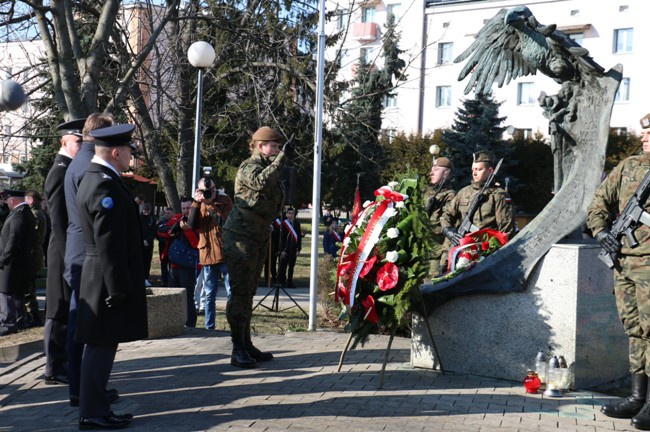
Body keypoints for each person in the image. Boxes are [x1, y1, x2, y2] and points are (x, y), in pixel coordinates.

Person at [75, 124, 146, 429]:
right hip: (105, 278)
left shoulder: (99, 178)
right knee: (101, 346)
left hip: (100, 275)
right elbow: (109, 244)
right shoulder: (104, 185)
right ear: (117, 153)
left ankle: (97, 407)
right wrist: (117, 287)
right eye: (129, 151)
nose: (131, 156)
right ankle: (92, 412)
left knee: (102, 344)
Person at [586, 113, 650, 429]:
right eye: (645, 131)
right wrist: (601, 234)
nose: (645, 136)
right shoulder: (629, 166)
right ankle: (637, 398)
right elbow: (599, 202)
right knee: (634, 329)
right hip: (623, 262)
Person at [223, 126, 293, 368]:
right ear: (259, 145)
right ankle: (237, 348)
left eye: (278, 146)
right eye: (273, 146)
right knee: (240, 293)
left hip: (257, 236)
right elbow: (261, 183)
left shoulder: (267, 166)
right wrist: (281, 159)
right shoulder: (249, 167)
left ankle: (247, 344)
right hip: (240, 238)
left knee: (249, 293)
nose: (276, 149)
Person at [63, 113, 116, 407]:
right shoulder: (88, 167)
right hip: (86, 256)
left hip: (79, 252)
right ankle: (83, 390)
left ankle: (85, 389)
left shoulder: (81, 162)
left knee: (82, 326)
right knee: (84, 328)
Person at [43, 118, 84, 385]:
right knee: (58, 309)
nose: (81, 146)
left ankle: (61, 362)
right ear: (64, 141)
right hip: (62, 249)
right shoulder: (59, 171)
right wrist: (70, 256)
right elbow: (58, 218)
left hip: (66, 248)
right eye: (78, 141)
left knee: (65, 308)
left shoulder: (69, 168)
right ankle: (54, 366)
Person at [440, 151, 515, 265]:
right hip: (457, 250)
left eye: (479, 169)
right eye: (473, 169)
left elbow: (506, 231)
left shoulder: (498, 195)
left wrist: (490, 253)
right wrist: (448, 231)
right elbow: (446, 214)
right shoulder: (463, 193)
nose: (474, 173)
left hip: (482, 254)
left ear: (490, 171)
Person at [188, 178, 233, 330]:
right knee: (209, 295)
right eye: (205, 191)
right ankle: (210, 328)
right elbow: (192, 225)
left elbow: (225, 223)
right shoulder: (198, 203)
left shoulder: (225, 200)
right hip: (207, 255)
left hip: (225, 253)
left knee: (231, 293)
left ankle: (235, 327)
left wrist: (210, 205)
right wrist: (196, 202)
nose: (209, 193)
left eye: (212, 190)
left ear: (216, 189)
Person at [159, 197, 201, 327]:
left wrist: (187, 229)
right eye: (183, 208)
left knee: (187, 298)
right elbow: (161, 231)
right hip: (173, 265)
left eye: (188, 208)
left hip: (187, 267)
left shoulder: (198, 222)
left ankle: (190, 327)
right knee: (173, 297)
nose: (186, 211)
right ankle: (174, 324)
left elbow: (197, 244)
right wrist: (173, 229)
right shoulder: (178, 219)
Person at [0, 190, 35, 336]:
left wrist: (3, 259)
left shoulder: (19, 214)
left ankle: (8, 323)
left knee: (6, 291)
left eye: (7, 200)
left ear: (12, 200)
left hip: (12, 262)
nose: (7, 203)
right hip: (19, 261)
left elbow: (13, 240)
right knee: (17, 292)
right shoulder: (24, 212)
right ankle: (20, 319)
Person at [423, 157, 456, 276]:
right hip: (419, 250)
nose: (431, 173)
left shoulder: (450, 196)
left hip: (435, 254)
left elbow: (448, 227)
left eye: (436, 170)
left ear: (446, 173)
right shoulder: (426, 192)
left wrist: (444, 259)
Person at [24, 190, 47, 327]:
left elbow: (33, 237)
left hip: (32, 256)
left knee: (28, 290)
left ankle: (34, 316)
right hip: (34, 255)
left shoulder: (35, 215)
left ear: (31, 200)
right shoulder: (37, 213)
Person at [277, 207, 302, 288]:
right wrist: (281, 250)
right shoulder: (283, 224)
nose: (291, 215)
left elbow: (299, 237)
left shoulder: (297, 224)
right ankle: (282, 281)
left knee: (291, 266)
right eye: (290, 213)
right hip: (285, 248)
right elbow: (281, 238)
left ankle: (290, 282)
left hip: (293, 248)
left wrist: (298, 249)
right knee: (283, 266)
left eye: (292, 213)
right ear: (286, 214)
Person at [155, 206, 174, 286]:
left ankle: (171, 281)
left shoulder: (175, 222)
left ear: (172, 213)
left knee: (171, 265)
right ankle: (164, 280)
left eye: (168, 213)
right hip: (162, 246)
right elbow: (157, 232)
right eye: (166, 213)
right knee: (163, 264)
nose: (166, 215)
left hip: (172, 247)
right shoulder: (161, 222)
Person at [139, 203, 156, 287]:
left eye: (148, 211)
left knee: (147, 262)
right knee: (139, 262)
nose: (146, 212)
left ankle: (146, 278)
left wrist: (148, 240)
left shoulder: (152, 219)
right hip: (139, 244)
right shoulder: (138, 218)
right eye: (145, 211)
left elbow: (153, 231)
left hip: (148, 245)